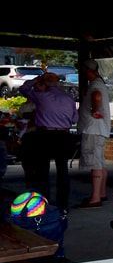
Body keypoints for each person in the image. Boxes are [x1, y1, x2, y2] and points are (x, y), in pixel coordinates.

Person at [18, 71, 78, 212]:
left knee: (43, 171)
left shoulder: (41, 96)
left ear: (44, 83)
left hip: (45, 135)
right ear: (58, 83)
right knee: (62, 171)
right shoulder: (69, 98)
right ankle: (63, 205)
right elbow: (75, 119)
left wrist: (35, 80)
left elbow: (23, 89)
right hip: (64, 135)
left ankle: (45, 204)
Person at [76, 59, 111, 207]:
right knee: (100, 162)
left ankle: (95, 198)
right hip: (98, 130)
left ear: (89, 71)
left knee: (95, 163)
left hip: (93, 130)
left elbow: (96, 96)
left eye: (83, 71)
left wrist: (95, 110)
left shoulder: (96, 85)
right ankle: (101, 194)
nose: (83, 74)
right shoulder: (98, 83)